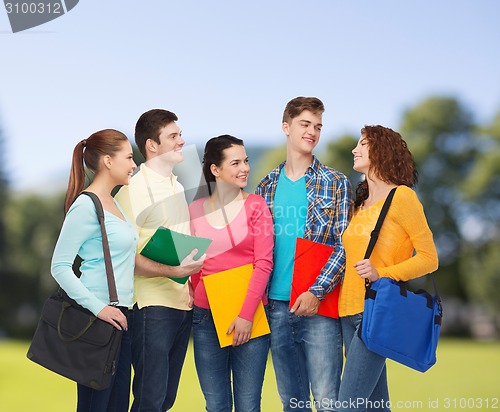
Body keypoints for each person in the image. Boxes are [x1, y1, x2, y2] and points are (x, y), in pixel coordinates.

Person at [255, 97, 353, 412]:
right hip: (277, 309)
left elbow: (345, 244)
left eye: (318, 126)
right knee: (292, 403)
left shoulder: (336, 183)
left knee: (328, 402)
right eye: (305, 124)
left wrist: (316, 290)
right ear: (286, 127)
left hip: (320, 308)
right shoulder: (265, 186)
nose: (312, 132)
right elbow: (255, 248)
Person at [337, 125, 439, 412]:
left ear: (382, 151)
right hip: (346, 312)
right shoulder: (359, 204)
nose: (355, 150)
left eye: (363, 144)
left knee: (347, 406)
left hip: (376, 311)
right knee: (374, 407)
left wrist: (383, 273)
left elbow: (430, 258)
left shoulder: (403, 198)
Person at [114, 109, 204, 412]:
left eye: (180, 135)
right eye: (173, 136)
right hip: (150, 307)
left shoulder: (179, 186)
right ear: (152, 145)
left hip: (182, 304)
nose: (182, 141)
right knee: (149, 400)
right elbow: (123, 255)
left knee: (165, 400)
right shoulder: (132, 189)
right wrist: (174, 270)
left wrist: (187, 279)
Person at [51, 129, 138, 412]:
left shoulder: (114, 204)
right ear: (109, 162)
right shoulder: (86, 206)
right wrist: (100, 309)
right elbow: (60, 267)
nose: (134, 164)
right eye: (128, 157)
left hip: (122, 318)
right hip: (98, 321)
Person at [189, 135, 274, 412]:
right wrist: (190, 289)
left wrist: (245, 315)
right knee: (216, 404)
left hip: (250, 316)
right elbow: (192, 263)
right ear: (216, 170)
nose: (245, 168)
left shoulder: (256, 207)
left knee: (249, 405)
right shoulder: (194, 210)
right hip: (206, 318)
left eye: (246, 161)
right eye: (235, 162)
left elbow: (263, 264)